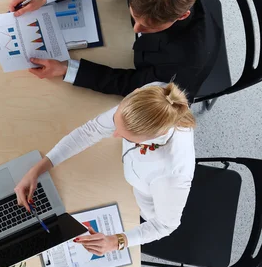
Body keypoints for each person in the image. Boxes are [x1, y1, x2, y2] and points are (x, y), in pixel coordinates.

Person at [8, 0, 221, 99]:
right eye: (135, 17)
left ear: (181, 16)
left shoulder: (185, 62)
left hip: (170, 80)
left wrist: (67, 69)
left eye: (148, 27)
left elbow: (133, 85)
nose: (136, 29)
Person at [14, 83, 195, 254]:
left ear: (154, 135)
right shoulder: (152, 97)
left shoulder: (173, 174)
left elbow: (164, 225)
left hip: (144, 205)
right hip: (129, 174)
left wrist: (117, 241)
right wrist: (37, 169)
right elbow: (91, 131)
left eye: (127, 138)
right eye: (116, 124)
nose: (114, 134)